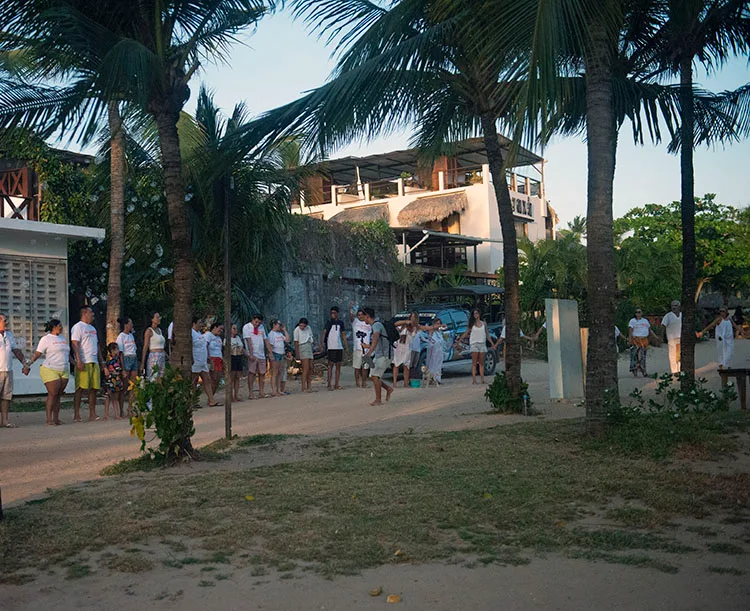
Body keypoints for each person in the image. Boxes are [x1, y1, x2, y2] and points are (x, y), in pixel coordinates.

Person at [23, 318, 70, 425]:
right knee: (52, 393)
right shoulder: (46, 339)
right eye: (59, 326)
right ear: (53, 327)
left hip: (64, 369)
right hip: (50, 368)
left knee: (58, 394)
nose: (61, 328)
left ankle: (56, 418)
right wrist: (28, 365)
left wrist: (75, 363)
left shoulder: (63, 338)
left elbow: (67, 354)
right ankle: (49, 419)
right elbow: (38, 354)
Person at [71, 305, 104, 422]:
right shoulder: (77, 327)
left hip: (94, 360)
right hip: (84, 361)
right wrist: (78, 360)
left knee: (94, 389)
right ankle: (76, 414)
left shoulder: (93, 329)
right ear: (84, 313)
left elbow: (97, 345)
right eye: (91, 313)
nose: (93, 315)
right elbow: (75, 344)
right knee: (80, 388)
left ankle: (92, 413)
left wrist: (101, 361)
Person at [0, 313, 27, 428]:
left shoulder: (9, 335)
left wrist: (24, 363)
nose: (6, 322)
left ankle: (5, 420)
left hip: (8, 369)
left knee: (6, 397)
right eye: (4, 320)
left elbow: (16, 351)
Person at [362, 308, 394, 406]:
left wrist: (369, 352)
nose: (363, 319)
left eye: (363, 316)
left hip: (384, 355)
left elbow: (375, 338)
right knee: (373, 376)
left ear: (367, 316)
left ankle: (378, 400)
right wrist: (369, 348)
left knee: (375, 376)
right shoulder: (377, 324)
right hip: (380, 354)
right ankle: (388, 388)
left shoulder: (376, 325)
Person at [456, 308, 492, 384]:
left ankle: (482, 379)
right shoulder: (471, 324)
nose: (475, 315)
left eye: (477, 313)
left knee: (481, 363)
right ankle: (474, 380)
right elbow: (466, 333)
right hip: (474, 344)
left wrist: (492, 343)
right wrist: (459, 340)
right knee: (474, 363)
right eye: (474, 314)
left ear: (479, 314)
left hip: (482, 343)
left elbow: (487, 334)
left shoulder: (484, 323)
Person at [697, 306, 740, 370]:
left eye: (723, 311)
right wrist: (702, 332)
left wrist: (743, 332)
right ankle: (721, 366)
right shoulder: (719, 319)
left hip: (729, 339)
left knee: (729, 352)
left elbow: (735, 326)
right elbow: (711, 325)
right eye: (721, 311)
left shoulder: (729, 319)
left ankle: (728, 365)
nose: (722, 313)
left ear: (726, 312)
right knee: (721, 352)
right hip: (721, 339)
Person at [192, 317, 220, 406]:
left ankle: (211, 400)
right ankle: (192, 401)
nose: (201, 324)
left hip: (203, 361)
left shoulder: (199, 333)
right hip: (196, 360)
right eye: (199, 322)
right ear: (194, 323)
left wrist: (208, 358)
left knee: (207, 380)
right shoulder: (191, 333)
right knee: (193, 381)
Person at [243, 314, 271, 399]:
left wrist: (270, 352)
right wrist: (251, 354)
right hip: (253, 354)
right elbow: (248, 341)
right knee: (252, 373)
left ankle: (261, 391)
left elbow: (265, 340)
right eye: (256, 321)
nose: (257, 324)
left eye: (259, 322)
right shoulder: (247, 327)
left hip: (261, 353)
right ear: (253, 320)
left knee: (262, 373)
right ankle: (251, 393)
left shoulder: (261, 327)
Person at [321, 306, 347, 390]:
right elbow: (324, 333)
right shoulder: (328, 322)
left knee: (338, 365)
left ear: (337, 313)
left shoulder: (340, 323)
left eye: (334, 313)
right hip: (331, 346)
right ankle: (329, 384)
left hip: (339, 346)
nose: (332, 315)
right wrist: (322, 344)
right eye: (331, 313)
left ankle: (336, 384)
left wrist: (345, 346)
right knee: (330, 365)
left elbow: (343, 334)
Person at [116, 317, 138, 416]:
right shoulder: (121, 336)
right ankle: (120, 409)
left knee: (133, 385)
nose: (131, 325)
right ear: (126, 325)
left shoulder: (131, 336)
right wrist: (123, 368)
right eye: (130, 323)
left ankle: (130, 407)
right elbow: (120, 353)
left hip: (133, 358)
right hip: (126, 358)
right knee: (124, 386)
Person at [628, 307, 658, 377]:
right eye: (637, 312)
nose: (638, 314)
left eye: (639, 312)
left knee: (643, 356)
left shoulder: (645, 321)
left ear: (642, 313)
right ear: (635, 313)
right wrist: (630, 340)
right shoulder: (632, 321)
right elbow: (630, 330)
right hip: (636, 340)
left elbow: (650, 330)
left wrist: (655, 337)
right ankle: (634, 371)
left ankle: (643, 370)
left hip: (644, 340)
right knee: (634, 356)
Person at [393, 311, 419, 388]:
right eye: (411, 316)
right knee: (396, 364)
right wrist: (405, 322)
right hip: (399, 346)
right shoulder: (404, 325)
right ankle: (394, 382)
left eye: (414, 317)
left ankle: (406, 383)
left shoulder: (415, 327)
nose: (412, 318)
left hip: (407, 347)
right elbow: (395, 324)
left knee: (406, 365)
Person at [140, 312, 166, 380]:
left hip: (162, 355)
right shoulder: (149, 331)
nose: (159, 319)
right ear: (152, 319)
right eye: (157, 317)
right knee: (153, 376)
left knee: (161, 377)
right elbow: (145, 347)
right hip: (154, 356)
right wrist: (142, 362)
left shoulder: (159, 330)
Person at [350, 307, 371, 389]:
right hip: (357, 348)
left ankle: (364, 382)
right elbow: (351, 317)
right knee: (357, 367)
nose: (360, 316)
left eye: (362, 315)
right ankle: (357, 382)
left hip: (367, 349)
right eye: (358, 315)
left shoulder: (368, 323)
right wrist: (351, 308)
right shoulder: (355, 322)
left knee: (365, 367)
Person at [103, 342, 125, 420]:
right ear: (112, 350)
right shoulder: (109, 359)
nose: (118, 351)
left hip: (117, 379)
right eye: (116, 349)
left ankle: (116, 414)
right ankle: (106, 414)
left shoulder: (118, 359)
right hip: (110, 379)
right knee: (108, 396)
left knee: (115, 397)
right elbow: (105, 366)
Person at [268, 320, 290, 397]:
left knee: (280, 372)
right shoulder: (271, 334)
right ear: (274, 325)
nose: (280, 325)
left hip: (281, 353)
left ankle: (279, 389)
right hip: (275, 353)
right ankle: (274, 390)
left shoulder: (280, 333)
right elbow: (270, 345)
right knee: (275, 372)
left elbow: (287, 340)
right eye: (278, 324)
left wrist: (284, 330)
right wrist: (271, 354)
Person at [294, 317, 315, 393]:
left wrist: (316, 346)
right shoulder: (296, 330)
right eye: (301, 326)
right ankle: (303, 387)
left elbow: (311, 338)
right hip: (302, 346)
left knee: (310, 368)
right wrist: (297, 354)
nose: (302, 327)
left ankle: (309, 386)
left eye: (304, 326)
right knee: (305, 368)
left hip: (309, 346)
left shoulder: (308, 328)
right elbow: (296, 342)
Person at [661, 300, 682, 375]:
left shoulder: (682, 315)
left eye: (676, 305)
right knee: (672, 355)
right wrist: (661, 337)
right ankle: (674, 371)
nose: (674, 307)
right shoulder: (668, 316)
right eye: (672, 305)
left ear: (679, 306)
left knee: (680, 355)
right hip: (672, 338)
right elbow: (663, 326)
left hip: (681, 338)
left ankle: (680, 370)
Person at [423, 318, 446, 385]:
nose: (438, 325)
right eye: (437, 324)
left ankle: (437, 378)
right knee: (432, 365)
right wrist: (437, 326)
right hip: (433, 351)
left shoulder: (439, 332)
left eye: (439, 323)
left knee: (438, 365)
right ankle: (431, 378)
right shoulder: (431, 331)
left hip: (439, 351)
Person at [205, 323, 224, 396]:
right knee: (213, 378)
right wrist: (208, 357)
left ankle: (211, 395)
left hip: (219, 359)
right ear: (215, 327)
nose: (221, 331)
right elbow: (206, 345)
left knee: (217, 379)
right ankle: (210, 397)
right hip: (212, 359)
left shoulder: (219, 338)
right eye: (220, 328)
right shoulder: (208, 335)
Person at [229, 324, 244, 402]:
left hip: (238, 357)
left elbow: (242, 348)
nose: (235, 330)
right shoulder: (227, 339)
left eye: (236, 328)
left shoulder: (238, 338)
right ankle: (230, 395)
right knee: (232, 377)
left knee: (237, 377)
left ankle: (236, 395)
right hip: (232, 358)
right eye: (234, 328)